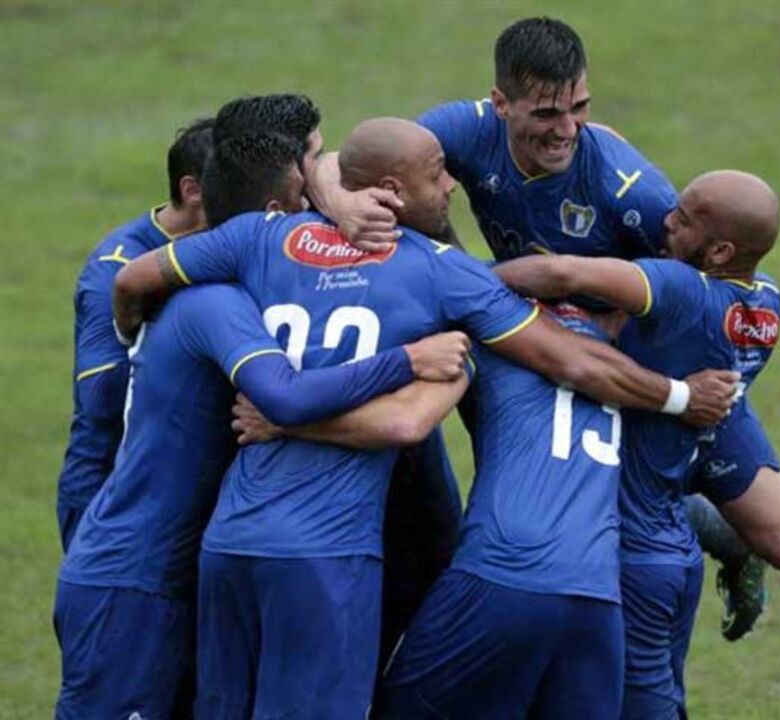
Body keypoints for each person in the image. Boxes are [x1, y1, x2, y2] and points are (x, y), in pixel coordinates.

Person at [113, 117, 738, 719]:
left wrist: (140, 338)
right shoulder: (448, 279)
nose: (451, 186)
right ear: (390, 191)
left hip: (231, 541)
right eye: (438, 174)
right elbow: (561, 365)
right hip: (338, 556)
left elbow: (137, 278)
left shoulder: (260, 239)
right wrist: (678, 396)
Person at [318, 16, 767, 638]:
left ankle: (733, 540)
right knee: (534, 462)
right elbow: (358, 156)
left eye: (579, 109)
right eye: (549, 113)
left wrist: (610, 326)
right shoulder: (469, 128)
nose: (568, 130)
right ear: (501, 104)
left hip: (628, 348)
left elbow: (691, 291)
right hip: (521, 316)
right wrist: (342, 199)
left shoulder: (629, 189)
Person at [494, 168, 780, 710]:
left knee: (738, 530)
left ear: (719, 251)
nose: (665, 219)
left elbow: (562, 272)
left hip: (675, 431)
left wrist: (455, 277)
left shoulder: (677, 290)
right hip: (709, 414)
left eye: (684, 218)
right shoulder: (767, 298)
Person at [55, 134, 473, 718]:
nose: (316, 216)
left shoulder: (186, 281)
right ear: (271, 213)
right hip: (135, 578)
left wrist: (337, 193)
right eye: (304, 198)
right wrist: (409, 360)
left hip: (181, 565)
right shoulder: (213, 304)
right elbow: (284, 396)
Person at [379, 302, 626, 720]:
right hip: (599, 594)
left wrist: (286, 422)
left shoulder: (490, 330)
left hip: (502, 576)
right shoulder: (624, 352)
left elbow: (407, 420)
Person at [55, 117, 214, 552]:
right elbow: (101, 394)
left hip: (174, 487)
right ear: (192, 190)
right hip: (107, 492)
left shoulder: (213, 246)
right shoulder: (118, 267)